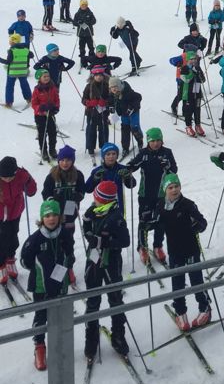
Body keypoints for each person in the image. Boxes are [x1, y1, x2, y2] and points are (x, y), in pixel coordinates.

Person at [21, 198, 75, 369]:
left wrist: (69, 262)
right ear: (42, 219)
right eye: (47, 215)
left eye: (54, 215)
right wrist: (38, 269)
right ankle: (39, 347)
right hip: (40, 286)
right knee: (41, 316)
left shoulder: (64, 234)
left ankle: (58, 343)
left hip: (60, 283)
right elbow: (25, 261)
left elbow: (70, 251)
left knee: (59, 314)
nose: (51, 219)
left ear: (59, 217)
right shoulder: (35, 239)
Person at [156, 173, 211, 331]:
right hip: (174, 251)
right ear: (165, 189)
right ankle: (180, 311)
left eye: (176, 186)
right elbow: (158, 223)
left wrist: (198, 226)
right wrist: (149, 223)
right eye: (170, 187)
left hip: (191, 249)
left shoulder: (188, 204)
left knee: (196, 280)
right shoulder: (161, 205)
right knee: (177, 282)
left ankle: (205, 307)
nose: (174, 190)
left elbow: (202, 222)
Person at [82, 180, 130, 357]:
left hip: (111, 262)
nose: (94, 201)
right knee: (93, 299)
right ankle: (91, 338)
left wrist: (103, 242)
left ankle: (118, 335)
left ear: (106, 200)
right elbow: (86, 226)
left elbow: (125, 241)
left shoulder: (116, 217)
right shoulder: (95, 209)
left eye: (97, 198)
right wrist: (88, 229)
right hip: (93, 260)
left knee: (115, 298)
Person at [126, 128, 176, 264]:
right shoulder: (143, 153)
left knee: (161, 221)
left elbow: (174, 171)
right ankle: (142, 246)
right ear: (148, 141)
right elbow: (133, 165)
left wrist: (168, 166)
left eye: (158, 140)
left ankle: (158, 246)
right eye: (152, 141)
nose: (155, 144)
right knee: (144, 221)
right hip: (145, 194)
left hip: (162, 195)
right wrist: (127, 169)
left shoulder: (167, 152)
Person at [0, 156, 37, 284]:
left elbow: (32, 192)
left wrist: (28, 180)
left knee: (13, 236)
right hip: (0, 215)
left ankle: (10, 259)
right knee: (1, 239)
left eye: (10, 177)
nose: (7, 180)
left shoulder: (20, 176)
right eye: (4, 177)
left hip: (15, 213)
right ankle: (1, 265)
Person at [31, 70, 60, 160]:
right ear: (39, 78)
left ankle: (52, 149)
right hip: (40, 115)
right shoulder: (37, 89)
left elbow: (57, 99)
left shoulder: (53, 87)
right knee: (42, 133)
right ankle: (44, 151)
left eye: (48, 76)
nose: (47, 78)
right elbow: (34, 103)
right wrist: (40, 108)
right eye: (44, 77)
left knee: (52, 132)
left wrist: (55, 108)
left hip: (50, 113)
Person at [2, 32, 34, 107]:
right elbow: (31, 55)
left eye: (10, 41)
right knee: (25, 85)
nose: (9, 42)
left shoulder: (12, 50)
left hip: (12, 72)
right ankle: (29, 99)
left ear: (13, 42)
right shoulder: (26, 50)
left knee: (9, 87)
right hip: (23, 71)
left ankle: (9, 103)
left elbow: (8, 62)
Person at [73, 0, 96, 67]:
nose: (84, 6)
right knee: (82, 47)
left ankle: (92, 59)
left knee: (91, 47)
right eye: (82, 5)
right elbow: (74, 22)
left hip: (89, 33)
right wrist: (78, 23)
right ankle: (83, 60)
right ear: (80, 5)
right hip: (81, 34)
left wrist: (89, 23)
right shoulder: (77, 13)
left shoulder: (90, 13)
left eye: (85, 5)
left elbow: (94, 21)